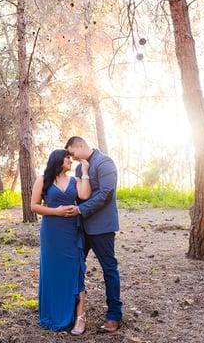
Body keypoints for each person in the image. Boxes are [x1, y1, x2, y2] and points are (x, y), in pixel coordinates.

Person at [65, 136, 123, 333]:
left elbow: (106, 194)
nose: (71, 158)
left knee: (109, 269)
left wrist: (81, 210)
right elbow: (81, 193)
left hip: (102, 228)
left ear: (80, 146)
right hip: (82, 228)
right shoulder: (81, 168)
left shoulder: (105, 163)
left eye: (72, 153)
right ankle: (73, 313)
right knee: (75, 267)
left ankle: (114, 315)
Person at [30, 149, 91, 335]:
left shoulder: (76, 180)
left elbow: (85, 196)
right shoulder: (43, 180)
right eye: (67, 158)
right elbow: (33, 206)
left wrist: (86, 171)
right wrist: (57, 211)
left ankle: (80, 317)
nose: (71, 161)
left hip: (71, 232)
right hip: (51, 233)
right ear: (58, 159)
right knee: (53, 271)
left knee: (75, 270)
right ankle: (54, 312)